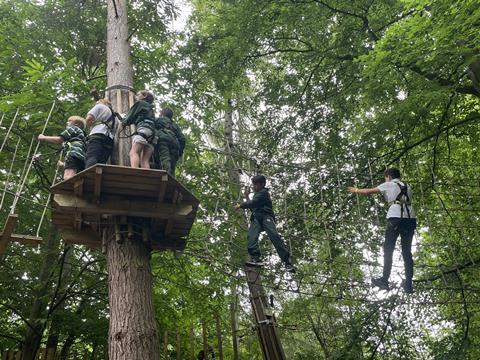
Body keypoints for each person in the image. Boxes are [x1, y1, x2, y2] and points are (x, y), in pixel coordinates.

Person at [348, 167, 416, 293]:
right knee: (407, 252)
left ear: (388, 177)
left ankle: (384, 280)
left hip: (395, 218)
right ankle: (409, 283)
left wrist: (356, 190)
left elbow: (369, 191)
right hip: (410, 219)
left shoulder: (389, 184)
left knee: (388, 249)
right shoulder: (408, 186)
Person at [234, 175, 295, 272]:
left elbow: (254, 203)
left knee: (274, 236)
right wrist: (246, 197)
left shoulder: (264, 193)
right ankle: (256, 258)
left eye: (256, 184)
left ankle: (287, 261)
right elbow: (253, 207)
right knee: (251, 236)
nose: (254, 187)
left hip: (266, 217)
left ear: (262, 184)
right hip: (257, 219)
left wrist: (240, 205)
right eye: (253, 184)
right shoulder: (256, 195)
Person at [38, 116, 86, 180]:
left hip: (73, 154)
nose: (67, 122)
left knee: (67, 177)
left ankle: (69, 187)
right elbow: (74, 165)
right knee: (75, 174)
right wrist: (64, 165)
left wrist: (44, 138)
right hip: (81, 159)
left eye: (70, 121)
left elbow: (59, 140)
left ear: (76, 124)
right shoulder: (81, 137)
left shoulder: (73, 128)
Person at [121, 90, 156, 168]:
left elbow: (128, 118)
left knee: (133, 153)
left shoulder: (140, 103)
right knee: (144, 160)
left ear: (144, 96)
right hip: (153, 135)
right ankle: (146, 179)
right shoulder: (150, 109)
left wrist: (123, 121)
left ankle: (134, 173)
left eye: (138, 94)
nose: (135, 96)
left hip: (144, 130)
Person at [84, 99, 116, 168]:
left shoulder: (99, 106)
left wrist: (88, 125)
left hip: (97, 134)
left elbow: (89, 118)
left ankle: (89, 176)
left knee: (92, 156)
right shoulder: (113, 115)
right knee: (102, 162)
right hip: (109, 139)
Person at [154, 107, 185, 175]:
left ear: (162, 114)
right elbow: (182, 139)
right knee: (172, 163)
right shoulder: (174, 125)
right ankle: (171, 178)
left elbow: (149, 125)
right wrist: (180, 151)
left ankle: (166, 176)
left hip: (163, 139)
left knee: (165, 159)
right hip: (175, 144)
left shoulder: (159, 120)